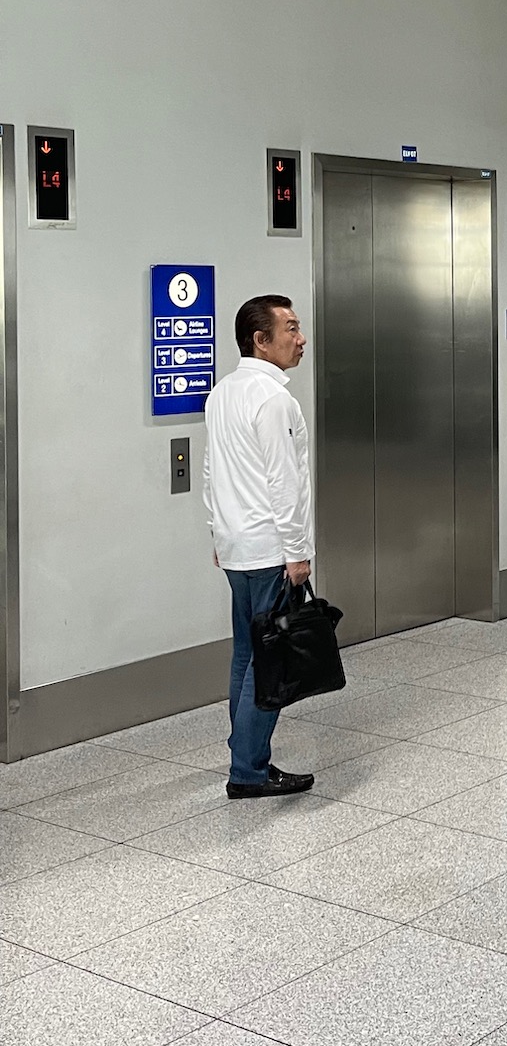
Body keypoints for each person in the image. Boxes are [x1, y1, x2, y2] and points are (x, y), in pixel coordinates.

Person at [204, 294, 316, 798]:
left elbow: (212, 474)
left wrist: (217, 532)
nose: (301, 339)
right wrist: (298, 552)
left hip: (235, 546)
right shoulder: (275, 400)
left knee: (247, 654)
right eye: (290, 328)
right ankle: (248, 771)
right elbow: (284, 483)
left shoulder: (222, 393)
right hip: (271, 549)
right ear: (260, 340)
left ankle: (246, 758)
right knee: (268, 662)